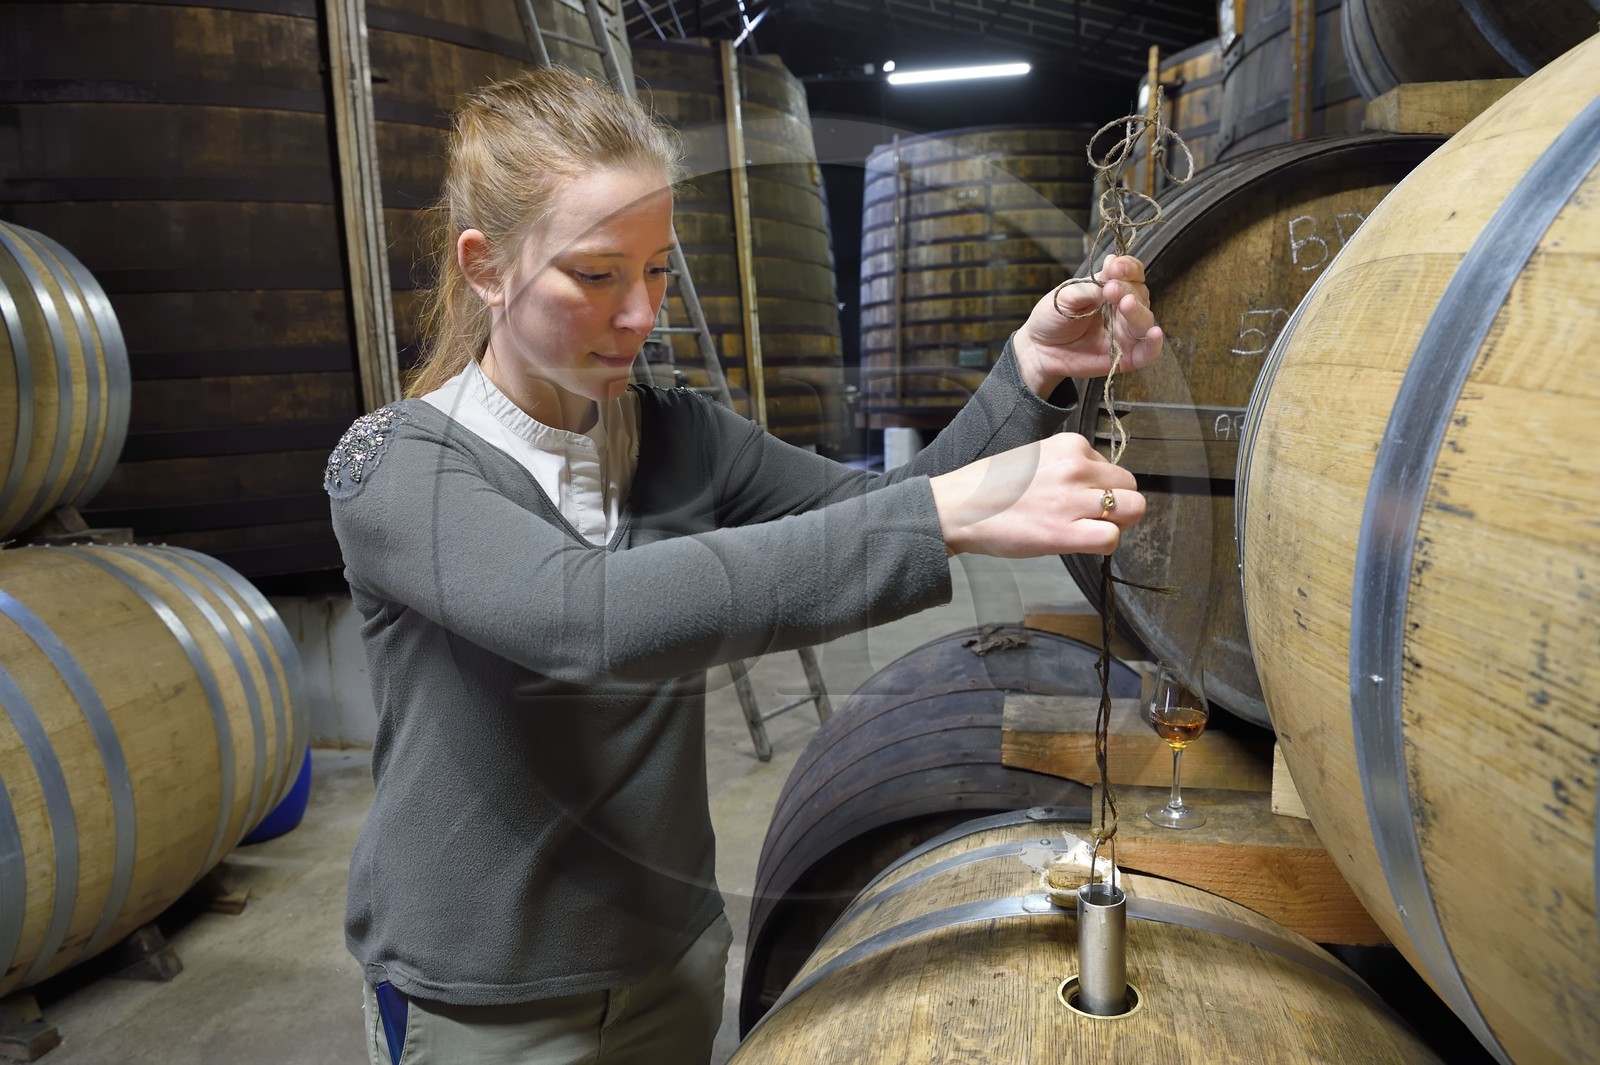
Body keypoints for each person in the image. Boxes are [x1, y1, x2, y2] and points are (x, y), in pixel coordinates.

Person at [325, 66, 1162, 1065]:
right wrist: (945, 511)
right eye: (596, 274)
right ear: (485, 267)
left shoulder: (674, 432)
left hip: (667, 958)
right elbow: (586, 619)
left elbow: (876, 510)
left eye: (655, 270)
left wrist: (1028, 369)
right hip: (486, 1001)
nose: (640, 312)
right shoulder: (395, 466)